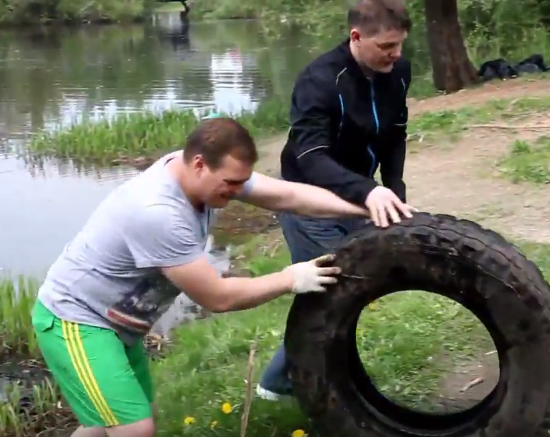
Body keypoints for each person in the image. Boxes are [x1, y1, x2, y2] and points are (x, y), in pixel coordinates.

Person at [31, 116, 381, 437]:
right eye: (230, 184)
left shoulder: (202, 174)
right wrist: (290, 278)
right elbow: (217, 297)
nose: (236, 192)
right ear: (199, 164)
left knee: (103, 426)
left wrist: (364, 207)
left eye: (242, 183)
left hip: (119, 324)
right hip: (76, 320)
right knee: (134, 429)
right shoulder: (157, 213)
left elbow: (288, 196)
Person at [256, 0, 415, 401]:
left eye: (399, 45)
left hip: (363, 193)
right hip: (308, 199)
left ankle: (324, 377)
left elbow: (395, 132)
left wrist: (392, 185)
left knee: (356, 283)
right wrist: (368, 190)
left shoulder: (398, 71)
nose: (395, 54)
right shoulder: (320, 79)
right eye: (386, 46)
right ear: (356, 37)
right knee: (332, 290)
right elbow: (311, 156)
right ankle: (281, 381)